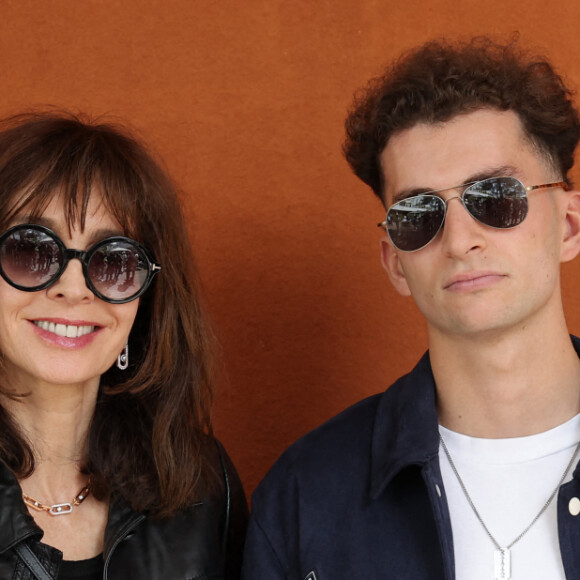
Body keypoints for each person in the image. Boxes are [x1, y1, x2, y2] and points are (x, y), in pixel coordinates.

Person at [242, 37, 580, 579]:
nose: (459, 240)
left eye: (495, 197)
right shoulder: (307, 493)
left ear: (568, 225)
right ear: (396, 262)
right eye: (419, 213)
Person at [0, 112, 247, 579]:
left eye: (113, 260)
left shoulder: (202, 484)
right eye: (30, 250)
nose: (74, 289)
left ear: (146, 298)